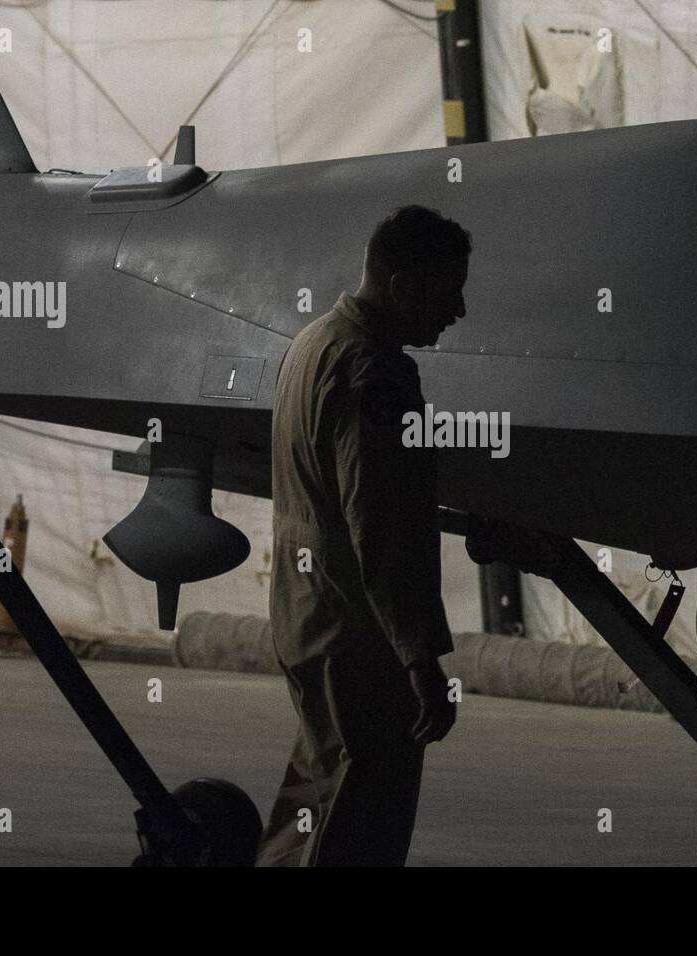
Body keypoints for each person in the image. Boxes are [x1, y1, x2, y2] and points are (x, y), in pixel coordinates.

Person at [256, 204, 471, 866]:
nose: (458, 310)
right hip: (359, 638)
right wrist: (419, 656)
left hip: (307, 620)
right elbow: (379, 527)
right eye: (449, 289)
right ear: (403, 286)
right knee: (361, 826)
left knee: (311, 807)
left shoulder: (310, 344)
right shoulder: (374, 371)